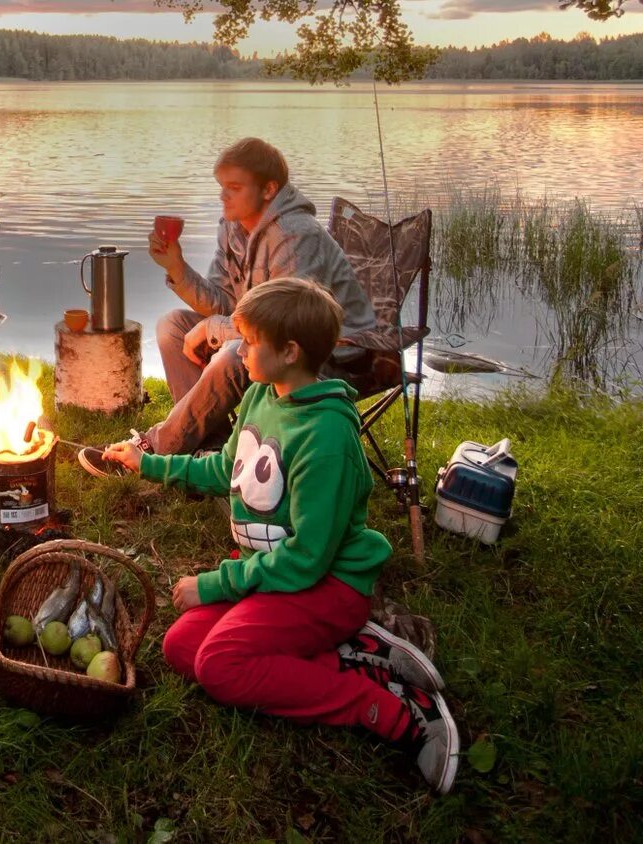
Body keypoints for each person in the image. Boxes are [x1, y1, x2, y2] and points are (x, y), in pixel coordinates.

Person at [98, 278, 460, 793]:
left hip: (325, 586)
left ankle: (390, 708)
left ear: (290, 352)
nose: (237, 350)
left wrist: (215, 584)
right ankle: (356, 653)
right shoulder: (262, 397)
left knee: (219, 666)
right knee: (181, 648)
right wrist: (148, 464)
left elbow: (307, 559)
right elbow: (227, 471)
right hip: (278, 583)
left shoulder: (327, 438)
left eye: (248, 342)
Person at [79, 137, 377, 477]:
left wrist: (213, 329)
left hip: (329, 354)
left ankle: (152, 453)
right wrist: (176, 267)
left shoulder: (296, 235)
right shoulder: (234, 228)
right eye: (222, 186)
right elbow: (222, 302)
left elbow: (287, 325)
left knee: (236, 351)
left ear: (269, 189)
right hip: (274, 340)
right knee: (172, 327)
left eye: (234, 187)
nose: (223, 196)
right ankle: (209, 449)